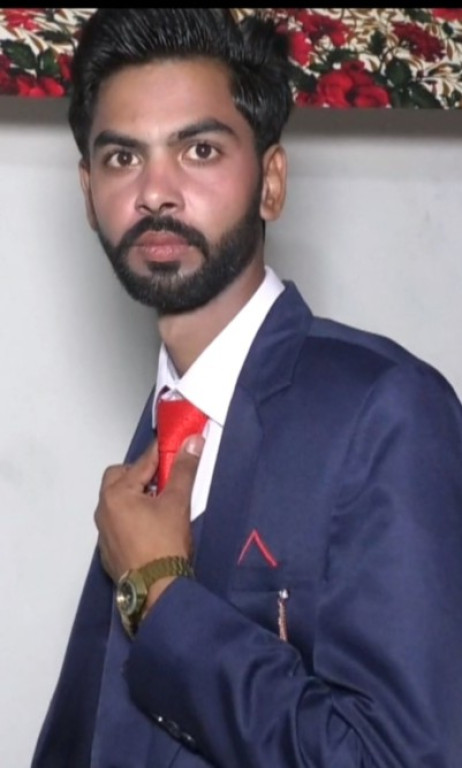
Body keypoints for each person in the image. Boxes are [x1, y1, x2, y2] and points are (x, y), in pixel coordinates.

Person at [32, 8, 462, 768]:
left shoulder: (385, 410)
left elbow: (401, 757)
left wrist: (162, 594)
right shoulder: (163, 425)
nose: (155, 193)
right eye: (123, 157)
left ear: (271, 182)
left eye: (199, 149)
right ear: (87, 191)